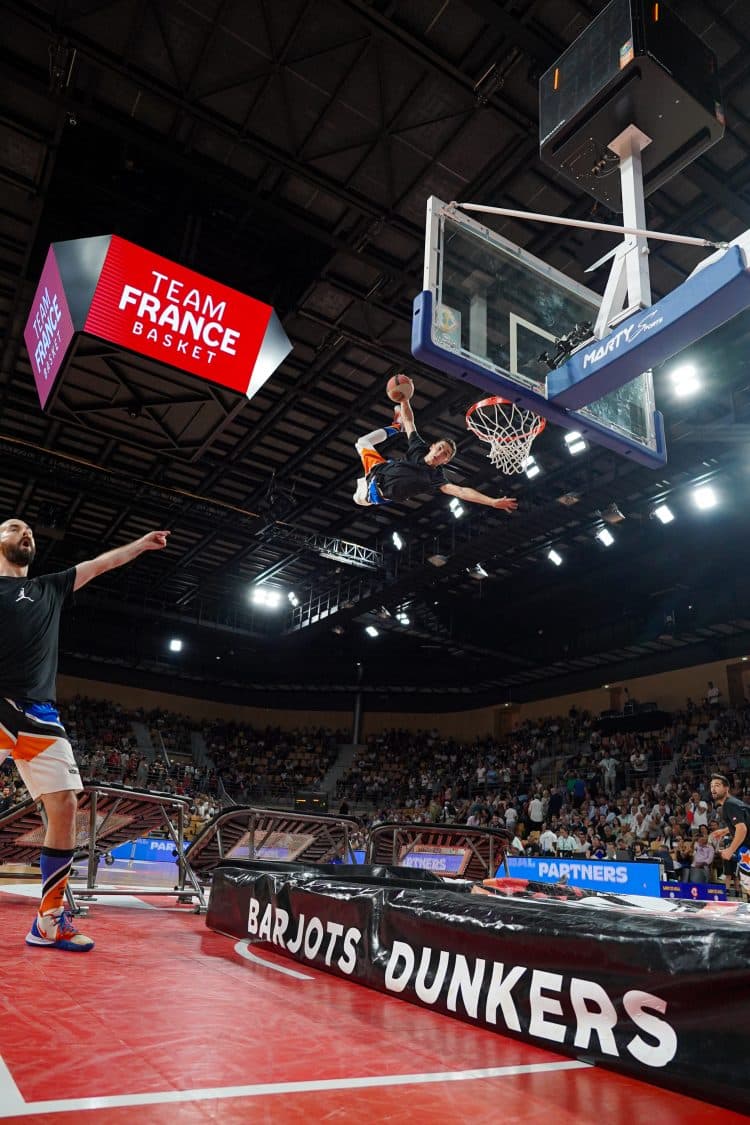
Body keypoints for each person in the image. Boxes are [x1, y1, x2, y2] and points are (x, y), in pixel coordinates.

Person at [0, 517, 169, 951]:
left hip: (39, 713)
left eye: (29, 531)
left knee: (65, 804)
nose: (26, 533)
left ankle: (49, 920)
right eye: (14, 527)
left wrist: (141, 543)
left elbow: (99, 564)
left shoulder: (49, 588)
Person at [352, 386, 519, 512]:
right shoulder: (419, 447)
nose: (440, 453)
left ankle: (397, 427)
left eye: (445, 454)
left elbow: (461, 491)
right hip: (377, 469)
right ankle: (397, 427)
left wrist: (492, 502)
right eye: (440, 448)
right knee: (362, 441)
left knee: (356, 499)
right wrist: (405, 399)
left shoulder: (436, 478)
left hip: (372, 492)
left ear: (446, 461)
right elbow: (410, 421)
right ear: (432, 446)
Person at [709, 772, 750, 897]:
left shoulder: (729, 804)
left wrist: (730, 850)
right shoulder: (734, 803)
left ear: (726, 788)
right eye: (711, 786)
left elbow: (742, 829)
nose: (713, 789)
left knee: (748, 884)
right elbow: (745, 823)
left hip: (747, 848)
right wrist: (725, 830)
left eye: (717, 785)